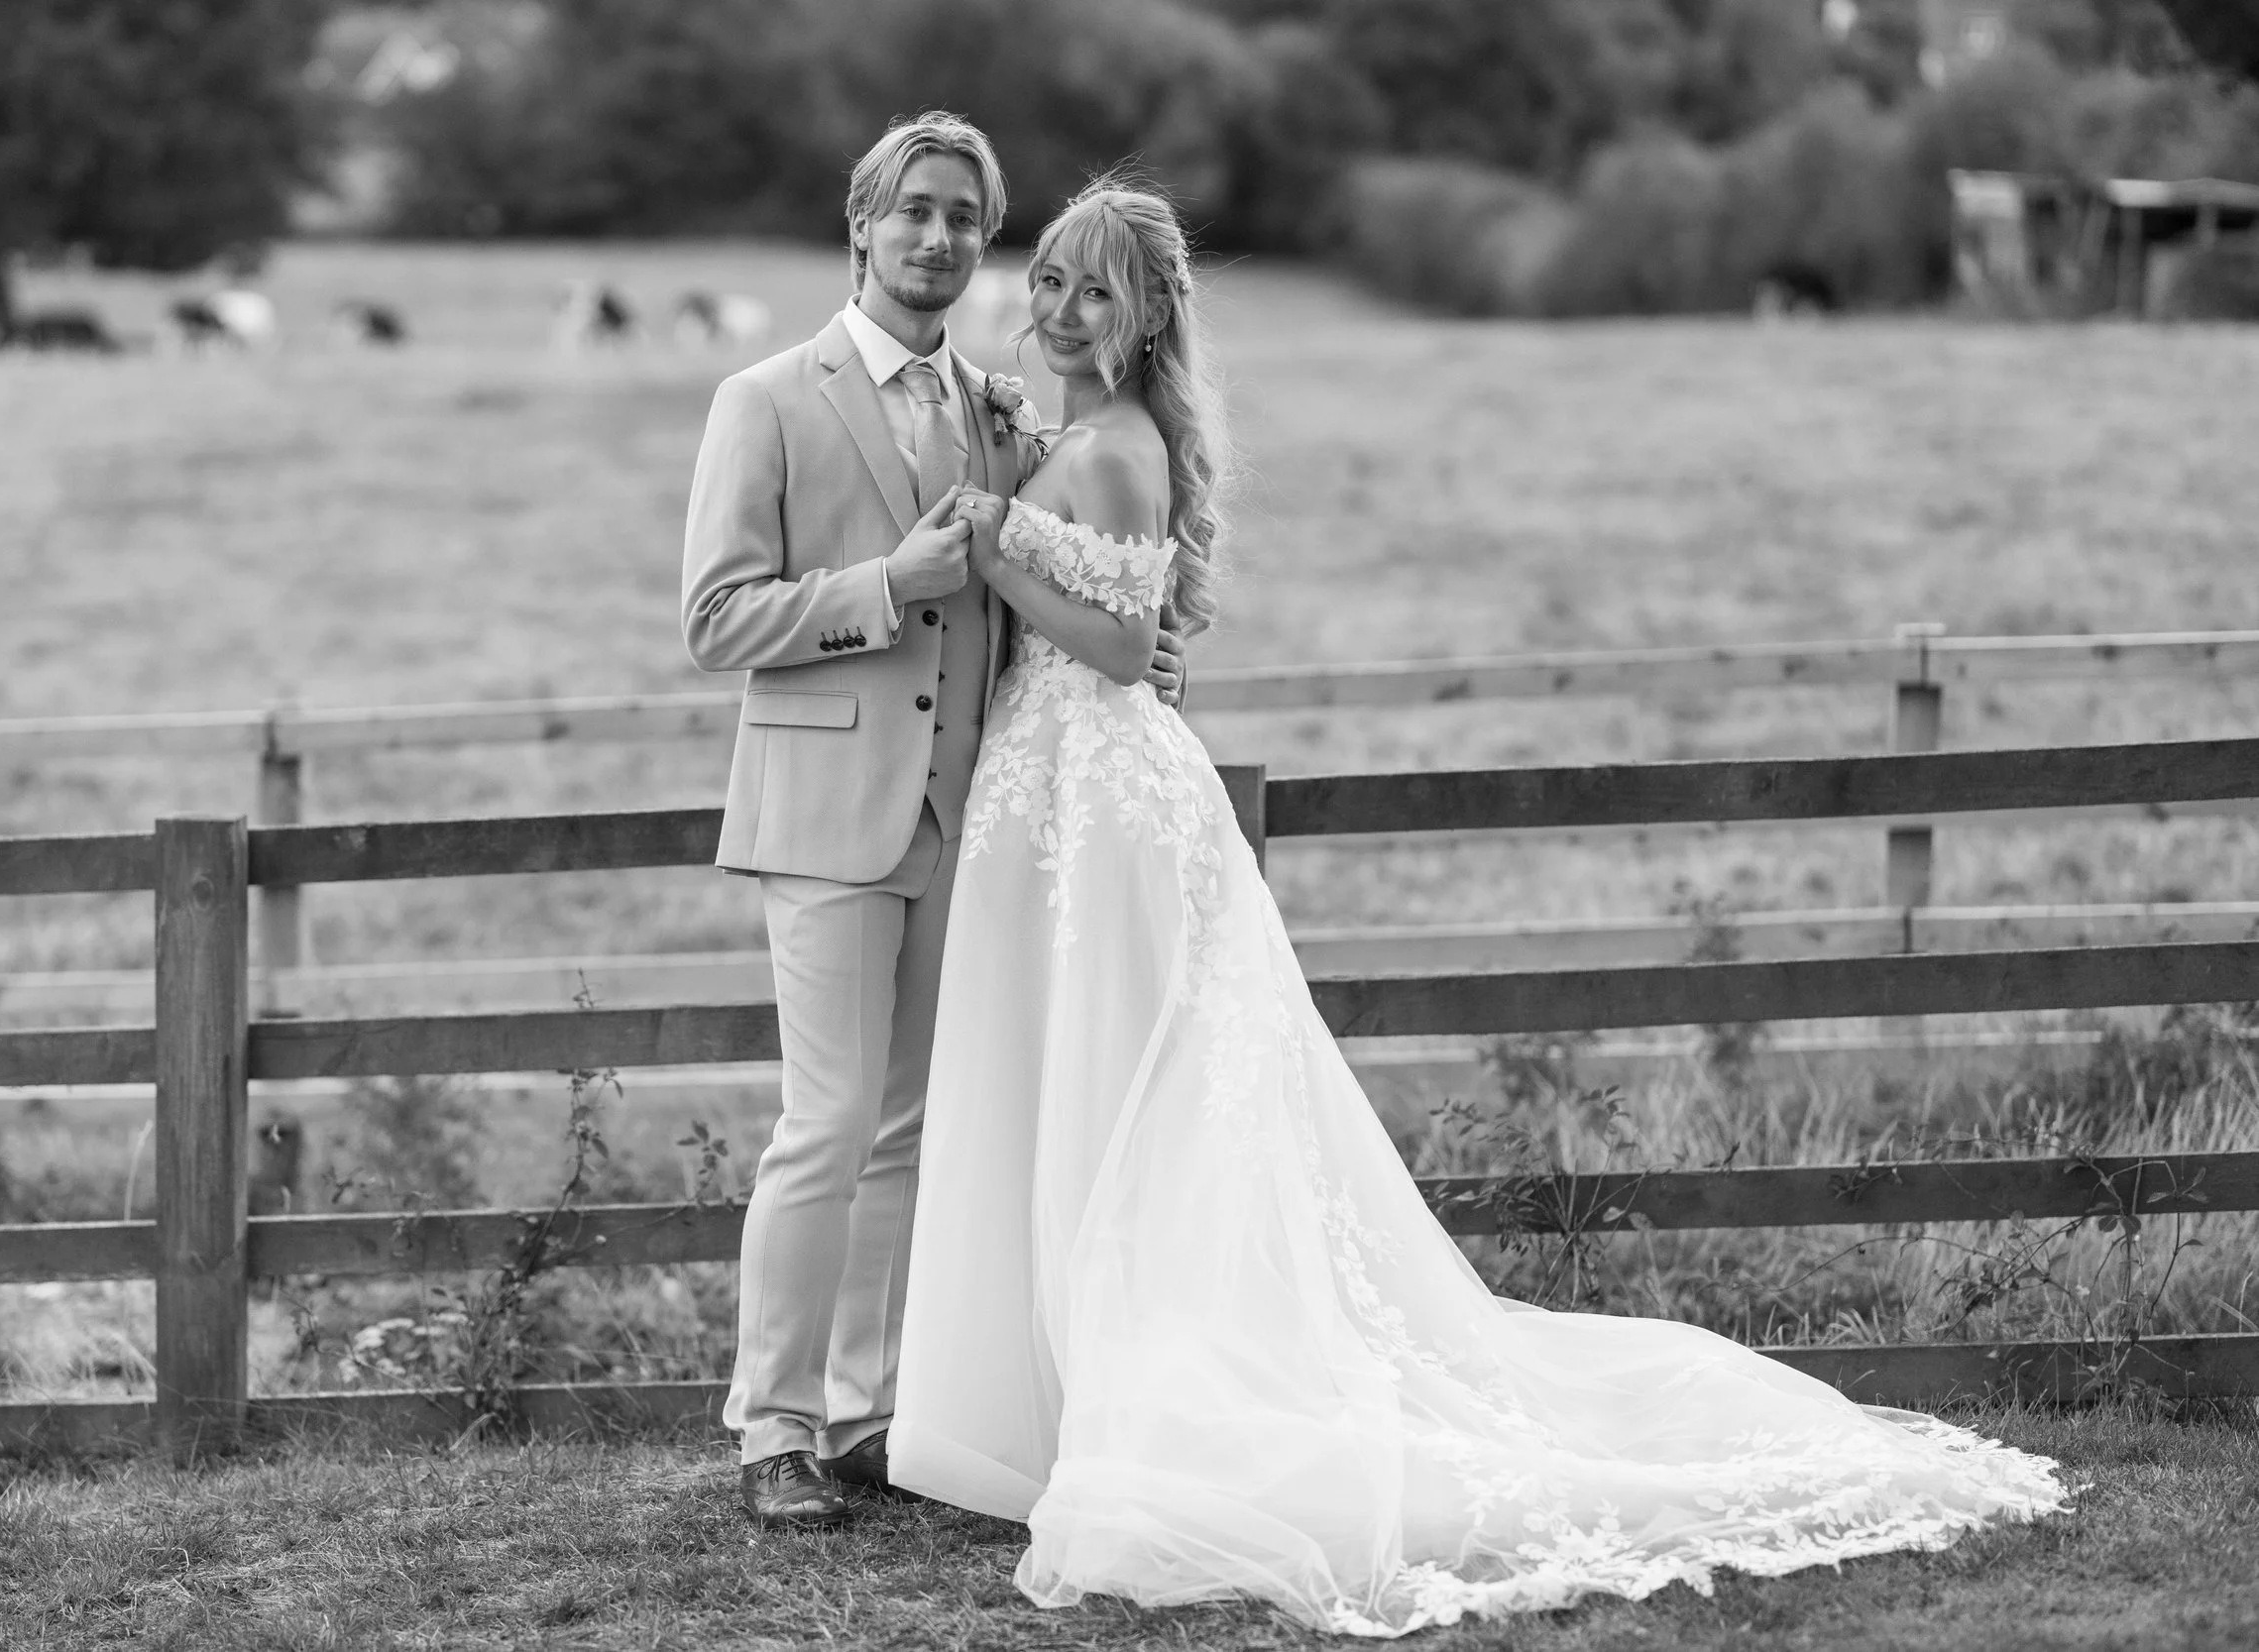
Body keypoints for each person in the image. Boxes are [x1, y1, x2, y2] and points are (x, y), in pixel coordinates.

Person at [885, 178, 2069, 1634]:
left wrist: (1002, 546)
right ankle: (1055, 1397)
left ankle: (1148, 1397)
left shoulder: (1117, 453)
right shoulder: (1065, 427)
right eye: (1050, 281)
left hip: (1109, 799)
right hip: (1054, 794)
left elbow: (1125, 648)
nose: (1061, 309)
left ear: (1146, 321)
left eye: (1094, 292)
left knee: (1131, 1095)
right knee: (1065, 1084)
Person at [678, 114, 1185, 1530]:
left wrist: (1138, 650)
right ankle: (770, 1426)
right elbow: (716, 620)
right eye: (914, 210)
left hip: (971, 820)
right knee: (825, 1122)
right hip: (826, 813)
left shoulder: (1004, 410)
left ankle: (864, 1411)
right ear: (862, 222)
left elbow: (1081, 586)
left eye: (966, 216)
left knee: (911, 1128)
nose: (940, 237)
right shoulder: (766, 398)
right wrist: (883, 585)